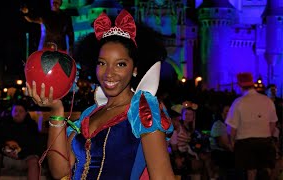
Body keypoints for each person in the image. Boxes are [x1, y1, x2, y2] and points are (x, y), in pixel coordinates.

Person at [26, 9, 175, 179]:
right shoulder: (89, 114)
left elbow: (162, 176)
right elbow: (60, 171)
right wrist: (56, 112)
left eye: (120, 64)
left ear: (134, 70)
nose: (108, 73)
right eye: (102, 63)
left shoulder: (143, 111)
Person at [226, 72, 278, 180]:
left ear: (239, 85)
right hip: (265, 140)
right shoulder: (267, 101)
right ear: (253, 84)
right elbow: (273, 123)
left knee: (251, 172)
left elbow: (232, 128)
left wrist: (231, 142)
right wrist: (268, 136)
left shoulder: (238, 102)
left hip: (245, 143)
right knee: (265, 169)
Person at [0, 101, 40, 180]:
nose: (17, 113)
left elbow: (35, 146)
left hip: (23, 158)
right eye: (15, 111)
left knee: (34, 162)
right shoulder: (2, 122)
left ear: (26, 113)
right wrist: (3, 149)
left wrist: (20, 154)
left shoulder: (31, 126)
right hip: (4, 157)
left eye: (21, 111)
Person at [210, 104, 236, 179]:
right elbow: (222, 144)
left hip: (228, 151)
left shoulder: (231, 126)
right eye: (226, 111)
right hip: (219, 152)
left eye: (230, 111)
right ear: (222, 113)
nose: (229, 113)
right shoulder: (218, 124)